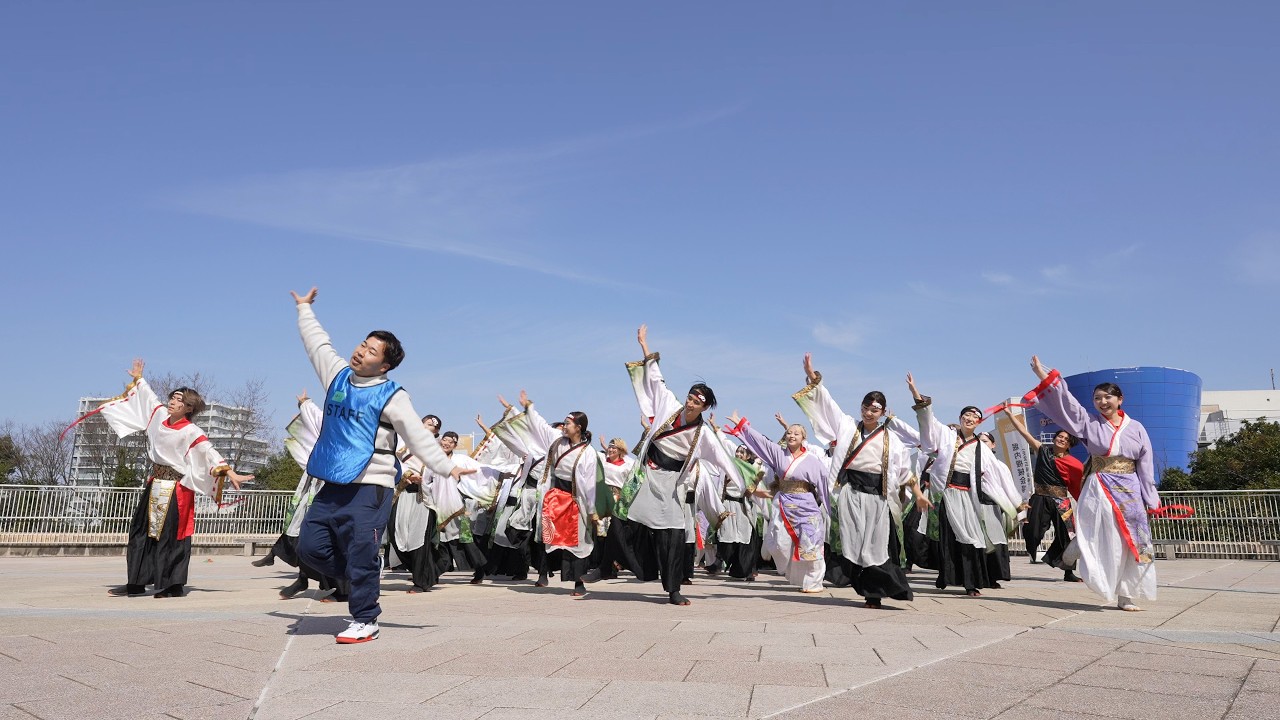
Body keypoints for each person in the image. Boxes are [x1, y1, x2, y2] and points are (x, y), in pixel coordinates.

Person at [290, 287, 472, 644]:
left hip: (372, 487)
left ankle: (365, 618)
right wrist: (304, 310)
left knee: (361, 549)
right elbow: (318, 344)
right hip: (333, 481)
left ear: (384, 364)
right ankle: (364, 575)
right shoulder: (338, 375)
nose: (361, 351)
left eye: (372, 351)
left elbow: (419, 437)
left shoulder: (393, 395)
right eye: (362, 344)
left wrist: (446, 467)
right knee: (309, 548)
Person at [90, 359, 254, 598]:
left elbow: (208, 451)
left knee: (172, 535)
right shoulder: (158, 416)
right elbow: (147, 396)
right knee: (140, 531)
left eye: (180, 400)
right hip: (154, 483)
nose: (173, 402)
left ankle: (173, 585)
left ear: (189, 408)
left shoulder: (191, 431)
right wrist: (139, 378)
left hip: (177, 489)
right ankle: (136, 582)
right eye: (173, 398)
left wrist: (229, 472)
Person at [617, 325, 746, 605]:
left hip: (673, 485)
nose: (691, 403)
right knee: (623, 520)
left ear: (705, 407)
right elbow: (656, 377)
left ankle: (674, 590)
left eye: (698, 401)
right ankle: (607, 567)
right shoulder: (668, 405)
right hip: (648, 475)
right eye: (690, 397)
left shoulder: (705, 435)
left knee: (674, 537)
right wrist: (644, 344)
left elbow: (724, 459)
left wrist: (740, 483)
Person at [792, 353, 926, 608]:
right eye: (866, 407)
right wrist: (812, 377)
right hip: (851, 493)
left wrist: (918, 494)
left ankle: (875, 592)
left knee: (874, 547)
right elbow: (827, 403)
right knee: (852, 542)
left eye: (875, 409)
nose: (869, 412)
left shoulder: (892, 440)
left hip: (878, 495)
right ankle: (863, 587)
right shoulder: (847, 426)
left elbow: (904, 472)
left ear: (883, 412)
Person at [1024, 357, 1158, 611]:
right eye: (1097, 398)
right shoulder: (1089, 423)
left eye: (1108, 397)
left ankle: (1127, 595)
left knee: (1137, 540)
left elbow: (1146, 464)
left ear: (1120, 400)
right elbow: (1068, 405)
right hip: (1100, 484)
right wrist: (1044, 376)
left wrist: (1150, 498)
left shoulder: (1137, 428)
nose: (1102, 402)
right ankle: (1081, 546)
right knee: (1102, 531)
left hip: (1130, 488)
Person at [905, 373, 1008, 597]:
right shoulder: (948, 435)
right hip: (946, 493)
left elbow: (998, 474)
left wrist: (1014, 503)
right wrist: (916, 394)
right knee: (947, 537)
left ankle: (971, 583)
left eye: (975, 416)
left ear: (979, 422)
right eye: (967, 414)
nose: (970, 418)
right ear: (960, 417)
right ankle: (946, 576)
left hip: (968, 496)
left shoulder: (981, 447)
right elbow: (929, 421)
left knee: (970, 537)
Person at [509, 391, 605, 596]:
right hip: (554, 497)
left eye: (568, 423)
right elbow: (541, 426)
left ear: (579, 428)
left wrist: (590, 509)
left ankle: (579, 584)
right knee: (548, 538)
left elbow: (589, 485)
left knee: (577, 542)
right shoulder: (557, 440)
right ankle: (544, 573)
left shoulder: (588, 452)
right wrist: (529, 407)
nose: (565, 426)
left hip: (574, 498)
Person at [723, 411, 828, 593]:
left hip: (807, 506)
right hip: (784, 503)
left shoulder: (813, 460)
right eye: (789, 432)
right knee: (778, 543)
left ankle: (814, 582)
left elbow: (823, 483)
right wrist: (743, 426)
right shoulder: (778, 453)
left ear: (804, 438)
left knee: (810, 544)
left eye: (796, 433)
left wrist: (827, 506)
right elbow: (761, 442)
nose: (792, 435)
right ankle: (795, 574)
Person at [261, 390, 347, 601]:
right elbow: (310, 429)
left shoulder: (348, 429)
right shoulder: (326, 425)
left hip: (335, 485)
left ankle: (342, 588)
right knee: (302, 531)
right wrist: (303, 409)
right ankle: (303, 577)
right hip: (312, 483)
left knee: (331, 538)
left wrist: (305, 404)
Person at [1003, 407, 1084, 581]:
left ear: (1069, 444)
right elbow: (1024, 432)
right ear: (1054, 439)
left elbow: (1081, 483)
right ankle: (1033, 552)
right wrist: (1010, 415)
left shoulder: (1073, 463)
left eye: (1065, 439)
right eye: (1059, 437)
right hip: (1040, 497)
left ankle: (1068, 571)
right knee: (1032, 530)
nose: (1061, 440)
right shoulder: (1043, 451)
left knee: (1068, 535)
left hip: (1062, 501)